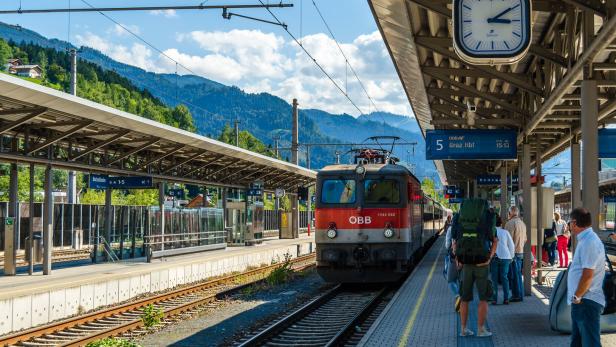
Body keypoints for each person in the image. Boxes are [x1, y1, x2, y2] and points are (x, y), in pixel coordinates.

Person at [453, 201, 498, 337]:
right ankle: (480, 329)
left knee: (464, 298)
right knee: (483, 298)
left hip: (465, 263)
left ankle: (463, 329)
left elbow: (454, 242)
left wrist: (457, 260)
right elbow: (495, 241)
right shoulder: (487, 217)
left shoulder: (460, 217)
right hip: (482, 264)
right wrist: (489, 259)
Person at [567, 208, 605, 347]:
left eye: (570, 222)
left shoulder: (589, 242)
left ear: (575, 223)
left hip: (586, 301)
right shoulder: (586, 240)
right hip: (583, 302)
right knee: (577, 343)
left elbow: (588, 275)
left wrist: (577, 296)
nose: (569, 226)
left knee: (590, 343)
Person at [490, 215, 515, 305]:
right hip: (505, 257)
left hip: (494, 258)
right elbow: (511, 245)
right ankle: (506, 299)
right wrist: (511, 257)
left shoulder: (491, 232)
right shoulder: (505, 232)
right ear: (501, 223)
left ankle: (494, 299)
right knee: (505, 278)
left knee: (494, 279)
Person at [505, 206, 527, 302]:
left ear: (510, 213)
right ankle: (520, 295)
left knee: (514, 275)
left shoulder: (509, 223)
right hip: (520, 251)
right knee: (518, 274)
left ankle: (516, 295)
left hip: (512, 253)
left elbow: (507, 240)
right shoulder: (522, 223)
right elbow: (525, 239)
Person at [444, 214, 461, 311]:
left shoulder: (451, 229)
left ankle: (458, 295)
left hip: (454, 258)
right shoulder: (465, 228)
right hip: (466, 259)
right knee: (461, 280)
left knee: (450, 280)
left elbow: (447, 246)